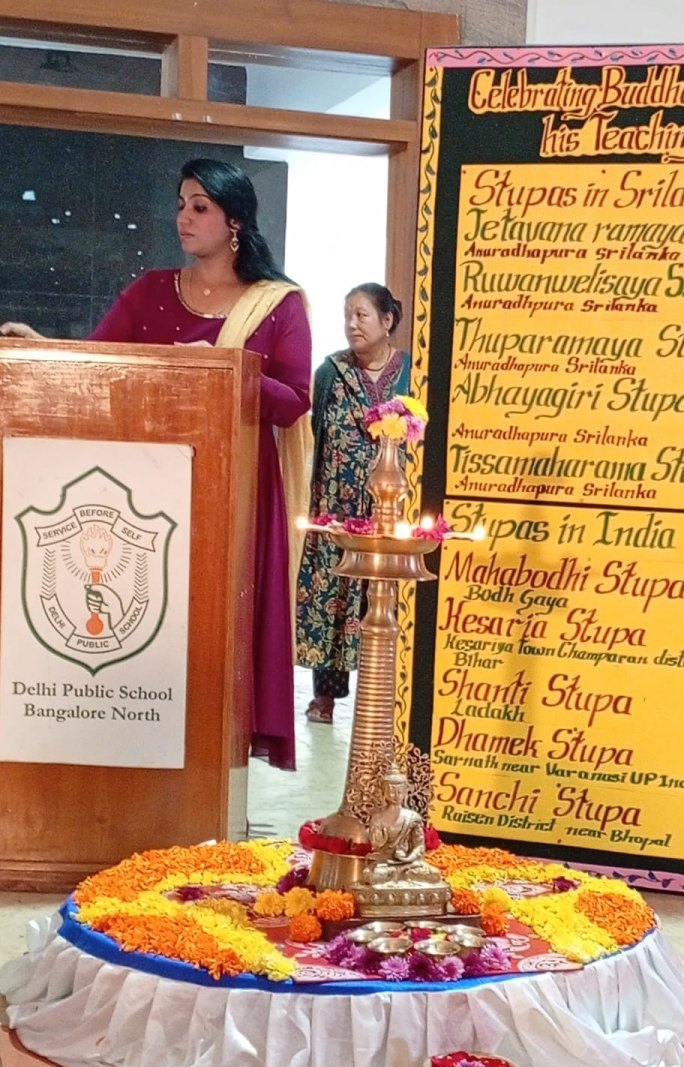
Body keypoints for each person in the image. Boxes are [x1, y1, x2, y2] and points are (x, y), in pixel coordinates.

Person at [1, 158, 312, 772]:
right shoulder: (150, 290)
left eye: (200, 206)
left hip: (237, 490)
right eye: (180, 204)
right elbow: (99, 365)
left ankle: (213, 761)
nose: (183, 218)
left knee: (217, 627)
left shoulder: (277, 305)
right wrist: (41, 349)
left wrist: (220, 369)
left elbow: (295, 400)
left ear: (235, 222)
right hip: (148, 491)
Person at [295, 282, 410, 724]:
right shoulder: (330, 372)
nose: (351, 324)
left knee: (384, 597)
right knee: (334, 594)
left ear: (387, 320)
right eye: (347, 315)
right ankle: (324, 698)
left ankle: (388, 696)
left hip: (391, 509)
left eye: (361, 315)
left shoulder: (409, 373)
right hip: (336, 507)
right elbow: (316, 435)